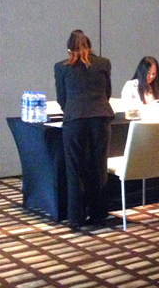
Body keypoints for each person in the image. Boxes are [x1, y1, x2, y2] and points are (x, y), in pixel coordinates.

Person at [54, 30, 114, 230]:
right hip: (100, 118)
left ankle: (76, 217)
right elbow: (107, 93)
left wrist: (73, 110)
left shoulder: (61, 67)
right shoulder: (103, 63)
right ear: (89, 46)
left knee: (75, 168)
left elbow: (62, 98)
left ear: (69, 49)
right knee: (99, 167)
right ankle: (98, 213)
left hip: (75, 120)